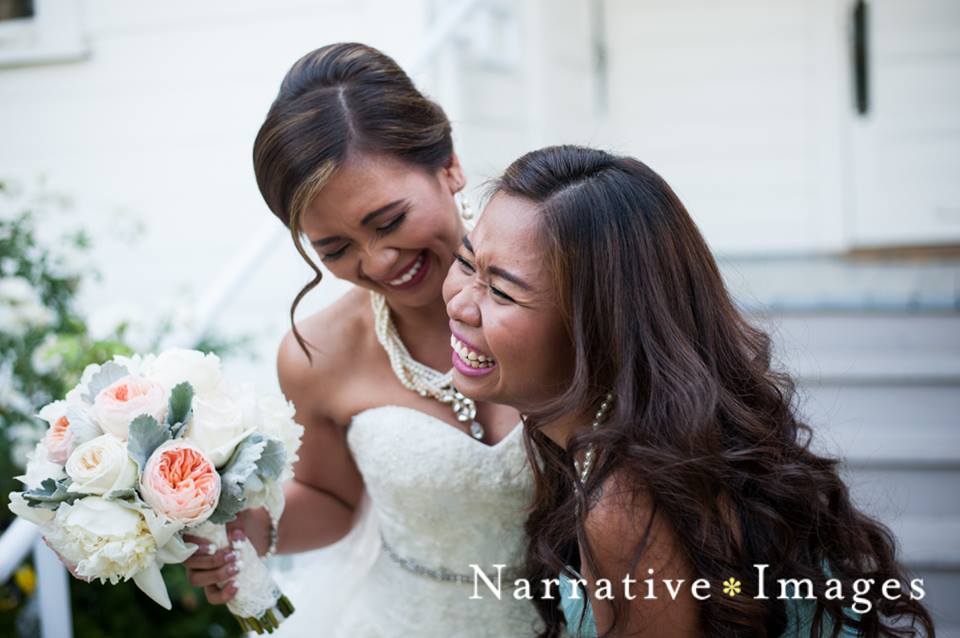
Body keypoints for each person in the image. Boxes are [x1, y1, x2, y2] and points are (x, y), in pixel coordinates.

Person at [442, 145, 936, 637]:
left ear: (601, 326)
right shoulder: (644, 429)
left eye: (501, 291)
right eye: (466, 262)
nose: (461, 305)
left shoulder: (625, 506)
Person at [183, 43, 541, 637]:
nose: (377, 261)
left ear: (449, 165)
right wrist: (242, 528)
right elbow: (332, 500)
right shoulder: (317, 355)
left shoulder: (560, 287)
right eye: (335, 249)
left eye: (389, 221)